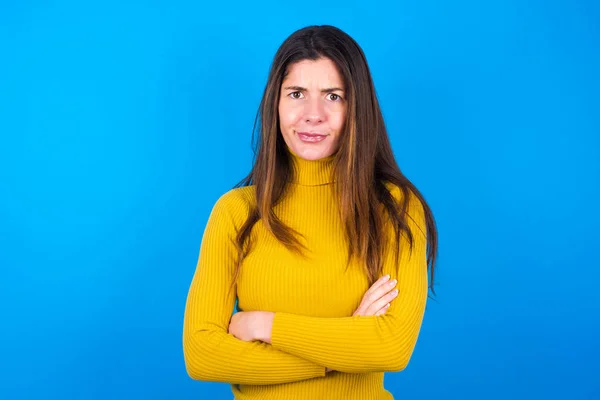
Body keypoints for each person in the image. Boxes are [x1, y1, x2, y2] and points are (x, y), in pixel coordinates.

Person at [182, 24, 438, 399]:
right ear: (276, 102)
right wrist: (340, 351)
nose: (313, 114)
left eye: (333, 96)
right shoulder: (236, 213)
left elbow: (392, 347)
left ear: (357, 107)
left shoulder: (394, 208)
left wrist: (266, 326)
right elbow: (202, 355)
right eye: (297, 93)